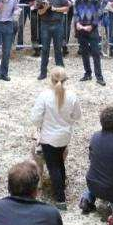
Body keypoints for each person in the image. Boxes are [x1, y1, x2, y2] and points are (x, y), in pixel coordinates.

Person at [30, 67, 81, 208]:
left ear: (50, 79)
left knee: (53, 167)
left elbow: (35, 119)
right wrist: (67, 122)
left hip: (48, 137)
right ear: (66, 80)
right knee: (59, 162)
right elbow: (77, 116)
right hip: (64, 136)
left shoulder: (44, 96)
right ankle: (61, 185)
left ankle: (60, 199)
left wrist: (42, 124)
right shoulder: (72, 96)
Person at [35, 0, 70, 80]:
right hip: (45, 24)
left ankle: (61, 74)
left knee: (58, 49)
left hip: (57, 23)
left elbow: (67, 8)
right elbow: (39, 12)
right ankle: (43, 72)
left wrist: (55, 9)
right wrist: (45, 8)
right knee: (45, 49)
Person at [74, 0, 106, 85]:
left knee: (96, 53)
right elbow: (76, 13)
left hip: (92, 30)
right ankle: (87, 73)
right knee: (84, 52)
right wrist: (77, 23)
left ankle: (99, 76)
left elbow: (100, 13)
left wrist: (92, 26)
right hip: (81, 29)